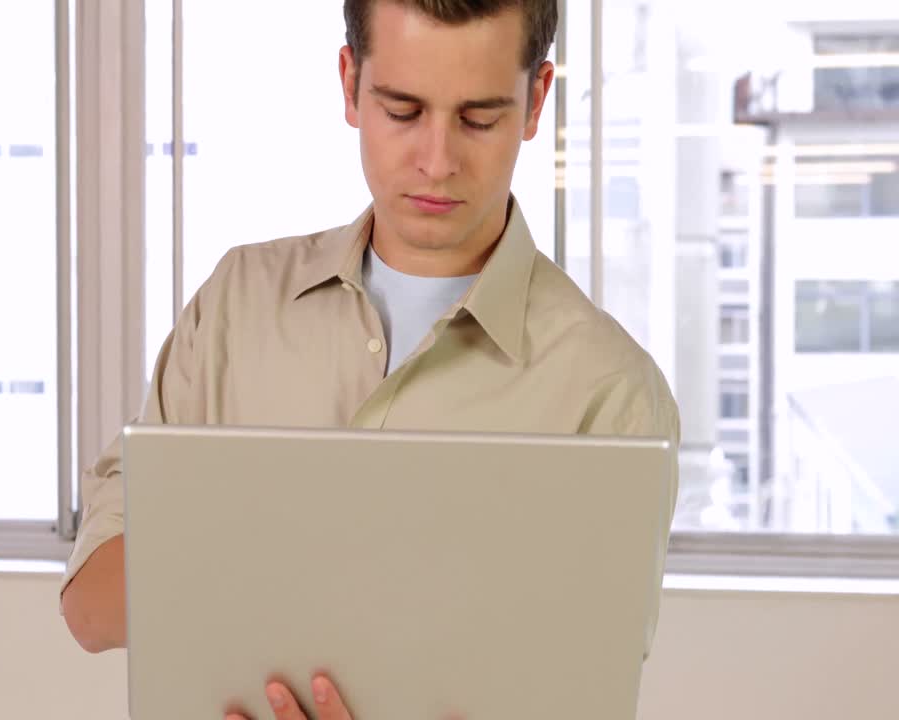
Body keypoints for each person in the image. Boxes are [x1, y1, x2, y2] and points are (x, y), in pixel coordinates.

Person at [62, 0, 680, 717]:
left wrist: (234, 554)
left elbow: (586, 689)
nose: (437, 161)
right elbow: (92, 609)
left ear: (537, 99)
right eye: (402, 110)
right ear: (350, 83)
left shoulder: (608, 390)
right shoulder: (238, 303)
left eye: (478, 118)